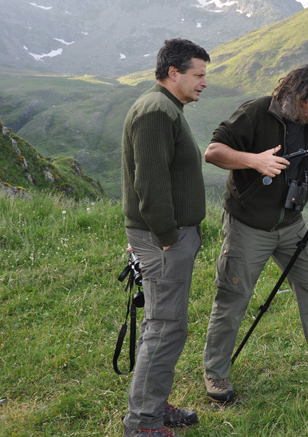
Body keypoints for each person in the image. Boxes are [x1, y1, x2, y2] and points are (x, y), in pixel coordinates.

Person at [201, 64, 308, 404]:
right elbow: (213, 151)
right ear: (298, 96)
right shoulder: (257, 112)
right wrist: (254, 160)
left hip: (291, 223)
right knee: (234, 297)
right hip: (249, 225)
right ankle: (215, 372)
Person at [120, 38, 209, 437]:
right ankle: (143, 423)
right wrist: (169, 238)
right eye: (198, 74)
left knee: (165, 324)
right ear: (174, 73)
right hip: (164, 241)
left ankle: (152, 404)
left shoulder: (166, 107)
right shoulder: (157, 111)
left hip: (166, 238)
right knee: (166, 326)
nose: (204, 82)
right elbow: (150, 185)